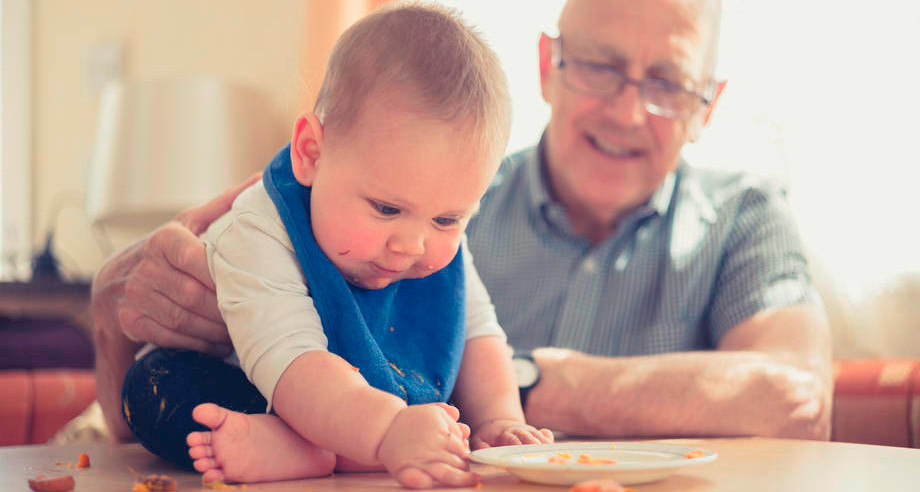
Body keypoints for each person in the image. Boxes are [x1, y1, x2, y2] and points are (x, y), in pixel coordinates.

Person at [92, 0, 832, 456]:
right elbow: (130, 423)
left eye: (668, 82)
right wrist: (113, 311)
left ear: (709, 106)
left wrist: (509, 400)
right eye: (600, 67)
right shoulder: (409, 179)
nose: (628, 111)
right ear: (548, 65)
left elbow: (796, 398)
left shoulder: (745, 218)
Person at [113, 4, 551, 489]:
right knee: (157, 389)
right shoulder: (259, 232)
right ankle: (304, 445)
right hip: (258, 388)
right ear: (312, 154)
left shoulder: (431, 239)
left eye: (447, 219)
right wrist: (386, 431)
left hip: (370, 413)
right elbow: (293, 364)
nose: (411, 245)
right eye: (387, 208)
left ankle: (328, 450)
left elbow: (478, 335)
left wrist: (499, 419)